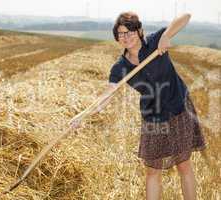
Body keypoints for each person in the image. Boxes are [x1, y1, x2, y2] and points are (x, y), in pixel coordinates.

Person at [69, 11, 206, 200]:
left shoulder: (154, 41)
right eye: (121, 34)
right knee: (153, 171)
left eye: (129, 32)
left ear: (139, 30)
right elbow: (106, 96)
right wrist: (82, 116)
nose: (126, 37)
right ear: (117, 38)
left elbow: (186, 16)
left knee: (183, 165)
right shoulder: (120, 68)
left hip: (178, 107)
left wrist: (166, 36)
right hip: (153, 117)